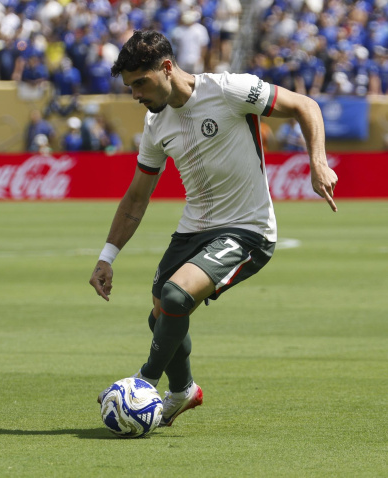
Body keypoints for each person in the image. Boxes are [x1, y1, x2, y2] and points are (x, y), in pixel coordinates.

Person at [89, 31, 338, 428]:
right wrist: (107, 257)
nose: (135, 94)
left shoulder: (229, 89)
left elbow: (304, 105)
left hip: (247, 229)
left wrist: (318, 163)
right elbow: (136, 198)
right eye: (130, 86)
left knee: (173, 297)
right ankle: (184, 391)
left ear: (167, 68)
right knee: (161, 317)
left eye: (140, 83)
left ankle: (142, 385)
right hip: (193, 229)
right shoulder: (155, 125)